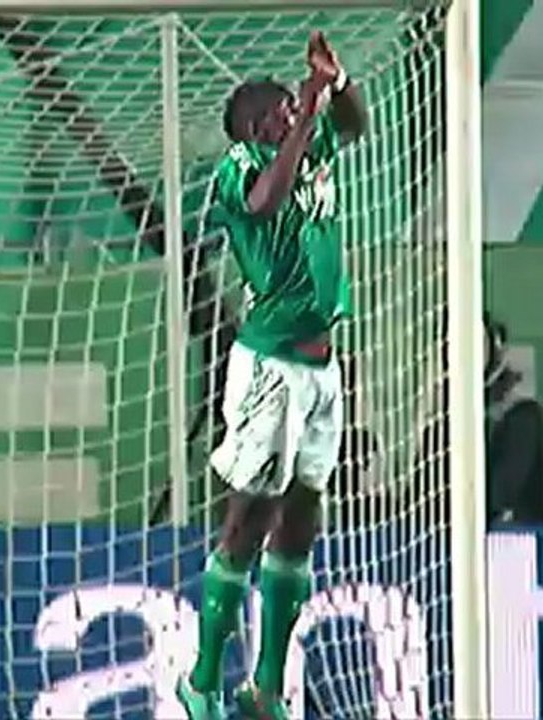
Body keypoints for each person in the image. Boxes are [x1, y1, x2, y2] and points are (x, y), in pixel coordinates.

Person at [175, 31, 367, 720]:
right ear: (261, 124)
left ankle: (267, 687)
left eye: (296, 103)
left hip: (322, 365)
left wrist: (334, 83)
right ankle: (200, 680)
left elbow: (356, 123)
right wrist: (306, 118)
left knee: (302, 518)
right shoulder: (237, 166)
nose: (298, 109)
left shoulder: (310, 141)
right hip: (268, 368)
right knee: (249, 517)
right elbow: (265, 202)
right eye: (286, 106)